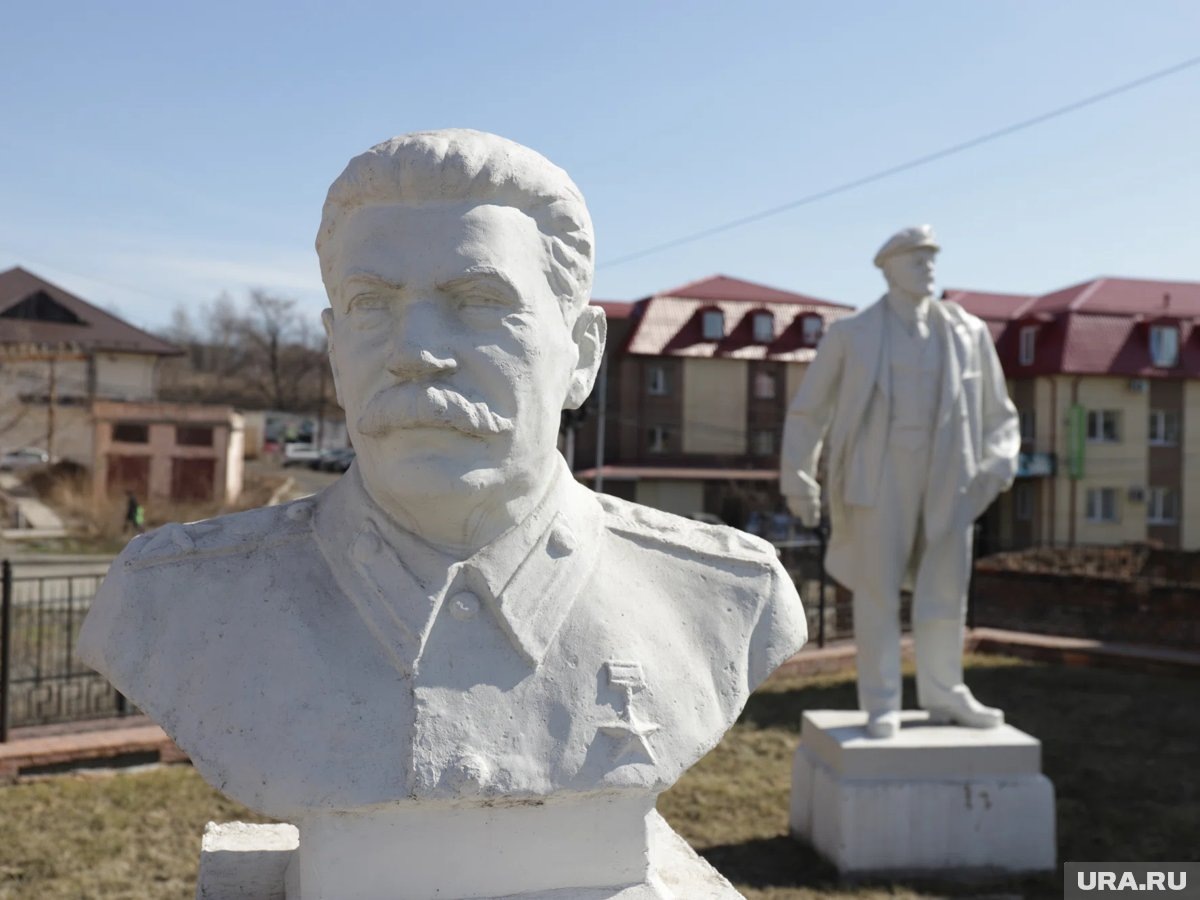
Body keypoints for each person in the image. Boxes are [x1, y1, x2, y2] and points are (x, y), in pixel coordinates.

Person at [78, 130, 806, 897]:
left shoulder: (727, 597)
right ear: (332, 352)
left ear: (583, 354)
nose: (415, 350)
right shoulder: (178, 600)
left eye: (480, 302)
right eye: (370, 306)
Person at [781, 225, 1019, 739]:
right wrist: (798, 479)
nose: (928, 267)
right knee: (877, 592)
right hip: (877, 474)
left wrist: (999, 464)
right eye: (916, 259)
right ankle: (883, 701)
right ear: (887, 268)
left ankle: (945, 692)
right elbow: (809, 412)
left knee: (946, 591)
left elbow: (1000, 414)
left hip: (949, 476)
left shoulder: (968, 333)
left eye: (932, 258)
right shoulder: (853, 335)